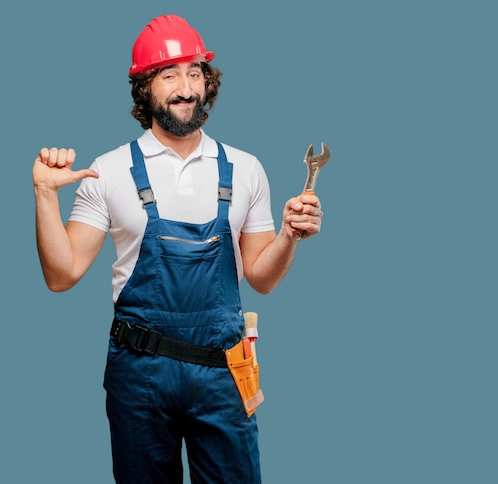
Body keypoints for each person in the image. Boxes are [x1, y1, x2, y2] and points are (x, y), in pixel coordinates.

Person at [32, 14, 322, 484]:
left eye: (194, 73)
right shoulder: (107, 171)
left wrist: (290, 234)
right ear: (144, 88)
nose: (186, 87)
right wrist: (45, 194)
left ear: (207, 83)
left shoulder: (246, 168)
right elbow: (60, 276)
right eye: (169, 74)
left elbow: (262, 279)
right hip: (140, 375)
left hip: (225, 375)